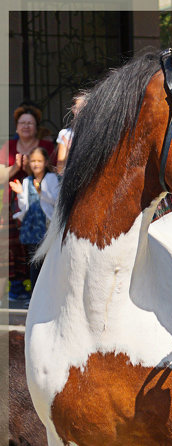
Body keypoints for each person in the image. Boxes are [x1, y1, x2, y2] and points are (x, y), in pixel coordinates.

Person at [0, 104, 55, 304]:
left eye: (30, 123)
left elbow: (55, 172)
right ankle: (16, 289)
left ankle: (38, 289)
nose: (26, 126)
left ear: (36, 126)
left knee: (38, 246)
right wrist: (15, 167)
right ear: (16, 127)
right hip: (13, 203)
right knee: (13, 246)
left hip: (41, 207)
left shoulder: (47, 147)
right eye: (22, 123)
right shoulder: (9, 147)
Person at [9, 147, 59, 291]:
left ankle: (49, 293)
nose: (36, 164)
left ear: (45, 162)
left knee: (48, 262)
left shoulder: (51, 179)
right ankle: (34, 295)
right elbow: (24, 206)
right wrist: (20, 193)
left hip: (48, 227)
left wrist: (40, 191)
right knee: (34, 263)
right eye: (33, 161)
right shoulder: (26, 181)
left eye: (39, 161)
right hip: (32, 228)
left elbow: (55, 200)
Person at [56, 91, 87, 174]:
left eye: (85, 107)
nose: (82, 111)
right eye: (79, 107)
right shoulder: (65, 134)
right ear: (73, 109)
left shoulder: (96, 132)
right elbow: (60, 168)